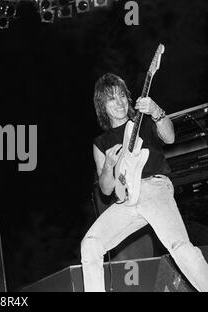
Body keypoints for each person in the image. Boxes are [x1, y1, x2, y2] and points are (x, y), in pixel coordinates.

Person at [81, 73, 208, 292]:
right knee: (90, 244)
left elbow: (170, 138)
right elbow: (106, 189)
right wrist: (108, 165)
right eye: (111, 99)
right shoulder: (100, 143)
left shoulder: (144, 120)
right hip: (126, 200)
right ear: (102, 105)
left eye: (122, 96)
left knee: (179, 246)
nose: (119, 102)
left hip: (153, 188)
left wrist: (157, 111)